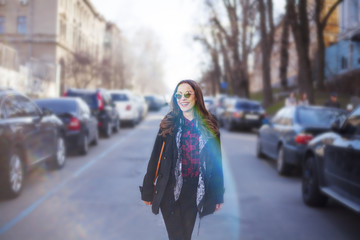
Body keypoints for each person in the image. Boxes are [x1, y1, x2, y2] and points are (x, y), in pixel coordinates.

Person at [140, 79, 224, 240]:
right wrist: (147, 190)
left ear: (197, 97)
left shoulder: (210, 125)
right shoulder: (169, 123)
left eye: (187, 94)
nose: (183, 98)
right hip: (169, 190)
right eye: (179, 95)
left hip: (194, 192)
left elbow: (216, 163)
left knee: (185, 236)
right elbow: (155, 157)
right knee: (177, 236)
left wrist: (218, 194)